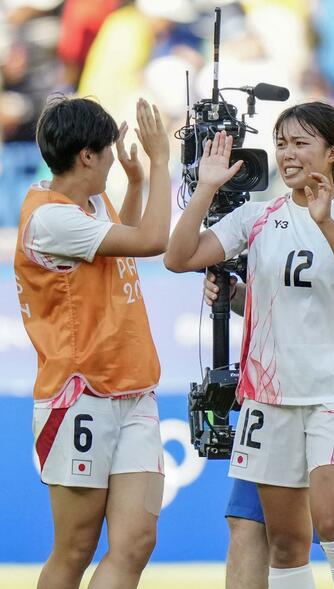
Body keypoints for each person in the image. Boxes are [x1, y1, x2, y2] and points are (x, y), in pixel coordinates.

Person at [165, 101, 334, 589]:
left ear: (332, 153)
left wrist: (325, 221)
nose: (288, 155)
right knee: (287, 542)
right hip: (269, 401)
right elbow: (179, 256)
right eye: (282, 143)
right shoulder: (257, 217)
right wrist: (206, 187)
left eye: (301, 143)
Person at [17, 97, 170, 588]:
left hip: (132, 388)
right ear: (88, 156)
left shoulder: (84, 205)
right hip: (80, 394)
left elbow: (121, 240)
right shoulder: (49, 218)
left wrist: (139, 181)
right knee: (76, 547)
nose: (113, 157)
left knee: (136, 542)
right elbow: (150, 240)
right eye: (107, 149)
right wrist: (161, 159)